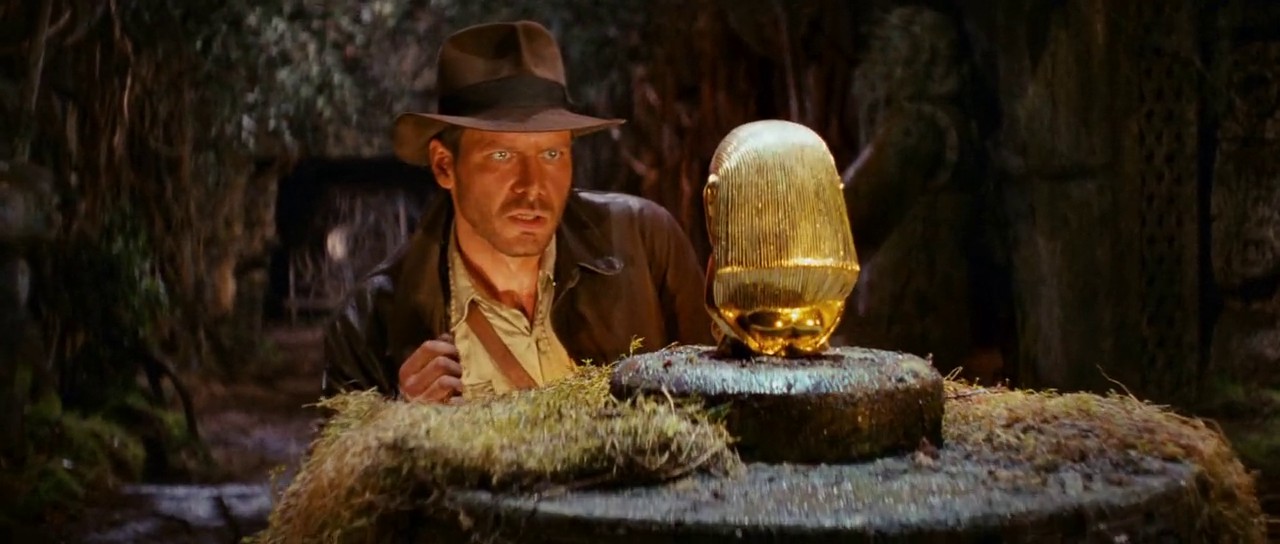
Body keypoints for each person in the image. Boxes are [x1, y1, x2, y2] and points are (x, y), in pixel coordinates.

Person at [322, 20, 713, 403]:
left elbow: (723, 403)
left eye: (552, 154)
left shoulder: (643, 243)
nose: (532, 185)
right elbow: (337, 446)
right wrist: (400, 421)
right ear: (445, 166)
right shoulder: (372, 323)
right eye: (502, 155)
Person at [834, 7, 1012, 383]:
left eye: (882, 55)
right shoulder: (951, 122)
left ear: (911, 59)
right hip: (925, 311)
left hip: (909, 315)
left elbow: (851, 208)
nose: (868, 73)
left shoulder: (916, 127)